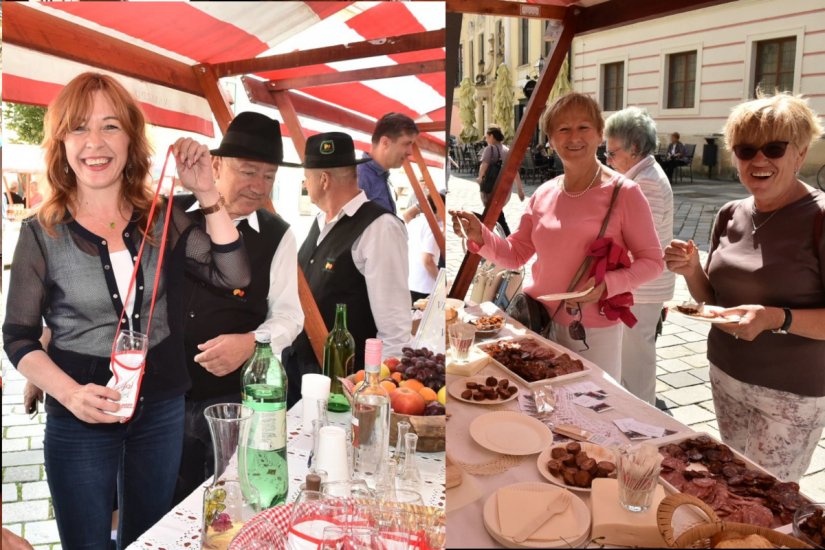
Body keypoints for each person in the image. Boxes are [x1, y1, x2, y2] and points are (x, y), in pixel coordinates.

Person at [1, 72, 250, 549]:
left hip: (160, 406)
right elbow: (18, 338)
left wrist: (207, 195)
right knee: (87, 541)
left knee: (148, 535)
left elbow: (234, 274)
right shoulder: (41, 233)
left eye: (110, 126)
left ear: (132, 139)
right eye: (79, 127)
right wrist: (70, 395)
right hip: (80, 412)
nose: (95, 142)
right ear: (61, 143)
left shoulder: (162, 217)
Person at [664, 91, 825, 482]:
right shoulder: (729, 213)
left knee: (768, 499)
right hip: (725, 373)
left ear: (800, 154)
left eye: (774, 148)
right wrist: (691, 271)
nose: (758, 160)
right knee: (731, 482)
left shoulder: (819, 218)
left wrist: (775, 318)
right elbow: (714, 301)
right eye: (746, 149)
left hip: (790, 392)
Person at [451, 92, 664, 380]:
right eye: (563, 129)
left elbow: (652, 261)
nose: (573, 137)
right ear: (550, 139)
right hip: (537, 322)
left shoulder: (624, 193)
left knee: (591, 410)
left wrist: (609, 285)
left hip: (592, 332)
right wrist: (481, 236)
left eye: (583, 127)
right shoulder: (544, 193)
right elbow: (515, 254)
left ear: (600, 134)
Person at [169, 112, 304, 504]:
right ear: (215, 165)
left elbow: (290, 316)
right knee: (159, 502)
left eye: (269, 177)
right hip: (162, 397)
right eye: (249, 172)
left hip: (230, 400)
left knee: (227, 502)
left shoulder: (279, 235)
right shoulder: (172, 213)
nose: (258, 186)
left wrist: (251, 343)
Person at [283, 132, 411, 407]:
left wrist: (375, 396)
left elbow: (394, 328)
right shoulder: (320, 223)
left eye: (306, 177)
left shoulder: (380, 227)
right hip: (302, 374)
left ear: (323, 180)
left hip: (345, 388)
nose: (305, 184)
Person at [604, 107, 675, 404]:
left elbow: (644, 244)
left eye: (611, 153)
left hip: (642, 288)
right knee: (631, 357)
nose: (607, 159)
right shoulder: (642, 173)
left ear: (633, 148)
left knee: (636, 363)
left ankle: (641, 420)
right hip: (639, 286)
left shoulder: (646, 181)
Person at [357, 112, 419, 215]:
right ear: (385, 142)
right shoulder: (359, 179)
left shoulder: (382, 176)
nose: (410, 152)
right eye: (407, 144)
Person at [476, 125, 525, 236]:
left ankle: (506, 238)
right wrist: (520, 189)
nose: (486, 139)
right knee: (494, 213)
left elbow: (484, 165)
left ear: (492, 136)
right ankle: (490, 236)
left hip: (491, 188)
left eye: (487, 136)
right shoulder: (507, 150)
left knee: (495, 214)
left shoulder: (490, 149)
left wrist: (480, 178)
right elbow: (515, 170)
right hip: (504, 189)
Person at [408, 192, 445, 302]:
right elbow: (427, 260)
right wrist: (440, 281)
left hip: (411, 281)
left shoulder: (415, 221)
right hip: (425, 285)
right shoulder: (433, 227)